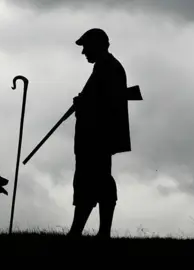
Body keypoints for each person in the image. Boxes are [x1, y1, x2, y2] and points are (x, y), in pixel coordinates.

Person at [68, 28, 131, 238]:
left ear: (97, 45)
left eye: (86, 47)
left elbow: (108, 105)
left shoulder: (109, 68)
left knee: (94, 182)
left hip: (97, 138)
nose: (83, 52)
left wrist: (84, 104)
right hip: (93, 138)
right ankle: (85, 231)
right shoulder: (104, 67)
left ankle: (86, 232)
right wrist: (83, 102)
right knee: (93, 183)